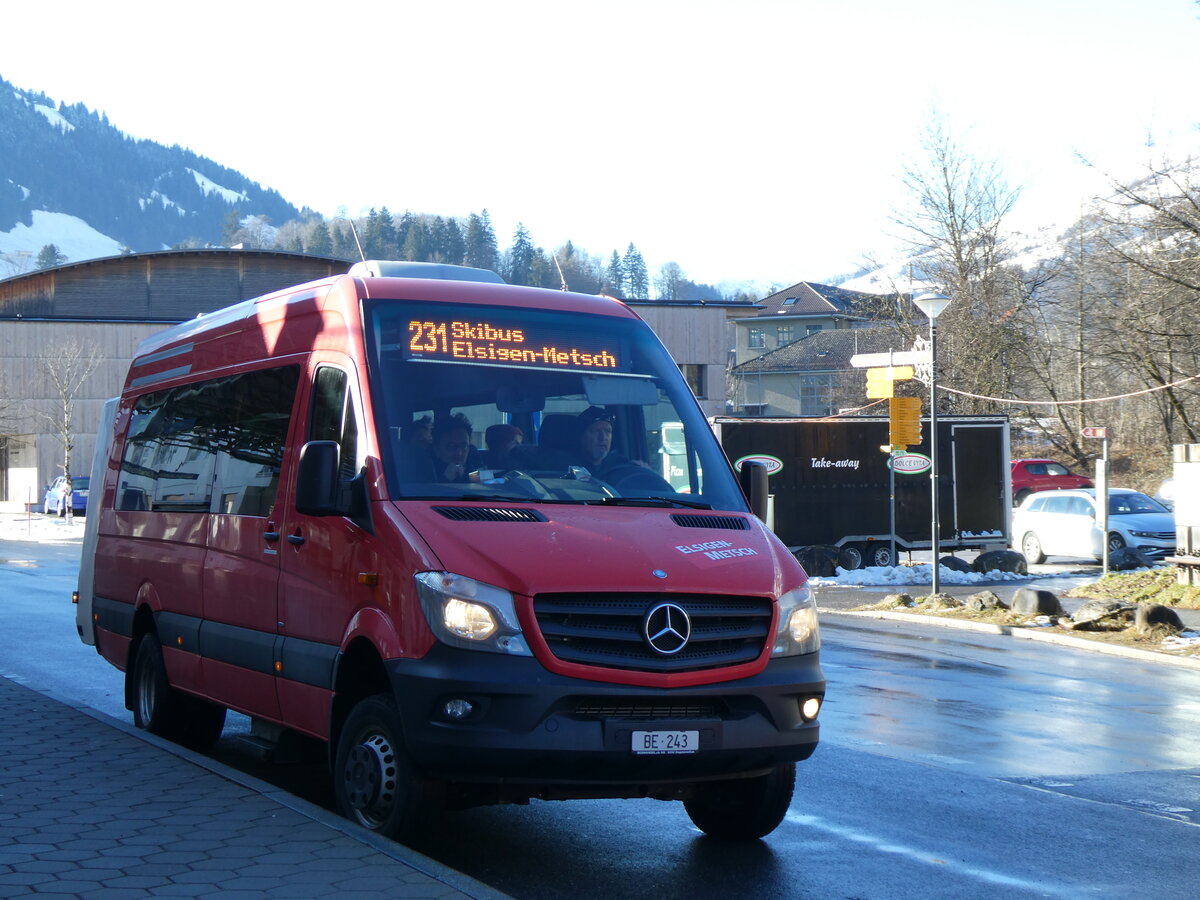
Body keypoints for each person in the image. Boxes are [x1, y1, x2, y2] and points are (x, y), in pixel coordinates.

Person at [430, 414, 476, 482]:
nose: (459, 453)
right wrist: (445, 479)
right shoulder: (428, 473)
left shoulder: (473, 463)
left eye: (464, 446)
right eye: (451, 446)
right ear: (437, 450)